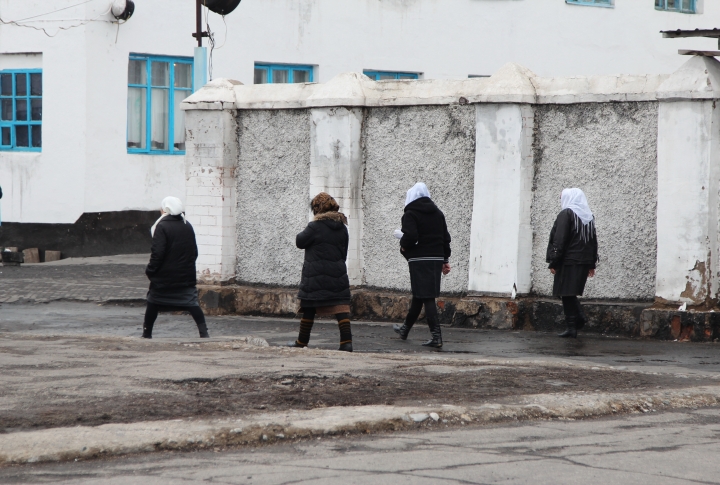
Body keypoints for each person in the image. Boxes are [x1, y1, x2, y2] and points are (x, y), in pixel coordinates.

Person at [288, 192, 353, 352]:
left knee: (309, 306)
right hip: (337, 273)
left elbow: (299, 241)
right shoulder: (342, 228)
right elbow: (344, 252)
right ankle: (346, 343)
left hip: (315, 275)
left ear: (317, 209)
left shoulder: (314, 227)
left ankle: (302, 342)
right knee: (340, 307)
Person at [392, 183, 451, 348]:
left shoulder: (410, 214)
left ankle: (436, 337)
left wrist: (403, 244)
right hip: (436, 258)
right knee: (420, 295)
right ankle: (405, 329)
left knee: (427, 296)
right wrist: (445, 260)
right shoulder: (438, 214)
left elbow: (410, 237)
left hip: (419, 259)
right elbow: (445, 238)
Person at [142, 196, 209, 339]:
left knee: (153, 302)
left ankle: (147, 334)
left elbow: (158, 253)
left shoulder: (161, 226)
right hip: (185, 276)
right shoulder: (187, 225)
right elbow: (194, 252)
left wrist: (151, 270)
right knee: (192, 303)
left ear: (165, 209)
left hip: (164, 277)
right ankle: (204, 333)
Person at [546, 188, 599, 339]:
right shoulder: (588, 217)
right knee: (568, 293)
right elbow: (592, 242)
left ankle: (575, 323)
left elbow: (559, 239)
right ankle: (574, 324)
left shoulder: (566, 214)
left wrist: (553, 261)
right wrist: (591, 263)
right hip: (582, 261)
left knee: (566, 292)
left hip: (568, 261)